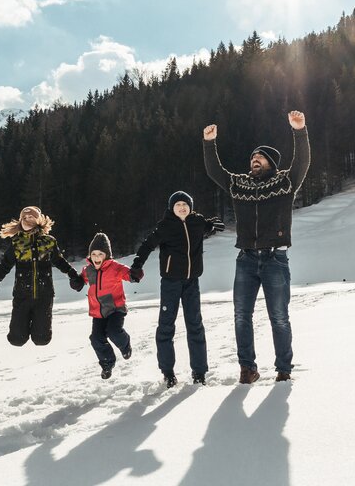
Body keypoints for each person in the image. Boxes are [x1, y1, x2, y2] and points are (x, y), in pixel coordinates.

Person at [203, 111, 310, 384]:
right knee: (241, 316)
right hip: (247, 260)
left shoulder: (284, 182)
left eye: (260, 157)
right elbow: (215, 172)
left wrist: (299, 131)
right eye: (252, 157)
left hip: (276, 259)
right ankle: (247, 369)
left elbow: (302, 162)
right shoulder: (239, 184)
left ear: (271, 162)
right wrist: (209, 143)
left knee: (279, 317)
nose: (254, 160)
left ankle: (283, 370)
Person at [130, 191, 224, 387]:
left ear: (190, 207)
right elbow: (148, 245)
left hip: (192, 283)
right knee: (166, 327)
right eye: (178, 205)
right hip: (170, 283)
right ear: (172, 208)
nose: (182, 207)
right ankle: (168, 372)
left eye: (185, 204)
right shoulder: (165, 226)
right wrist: (137, 264)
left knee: (195, 325)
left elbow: (206, 227)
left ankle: (199, 372)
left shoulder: (197, 222)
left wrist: (211, 226)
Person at [0, 206, 83, 346]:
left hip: (44, 296)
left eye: (31, 217)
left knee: (42, 339)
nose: (27, 220)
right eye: (24, 218)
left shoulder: (49, 241)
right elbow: (4, 266)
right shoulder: (17, 243)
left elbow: (60, 262)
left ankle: (38, 327)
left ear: (38, 220)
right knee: (16, 339)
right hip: (22, 296)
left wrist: (74, 276)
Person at [75, 233, 133, 380]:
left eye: (100, 254)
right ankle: (107, 363)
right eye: (93, 254)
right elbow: (82, 279)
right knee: (96, 338)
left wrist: (134, 275)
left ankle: (125, 345)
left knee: (114, 332)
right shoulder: (88, 270)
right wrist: (77, 282)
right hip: (98, 312)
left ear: (107, 255)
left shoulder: (115, 267)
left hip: (115, 309)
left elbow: (128, 273)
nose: (96, 257)